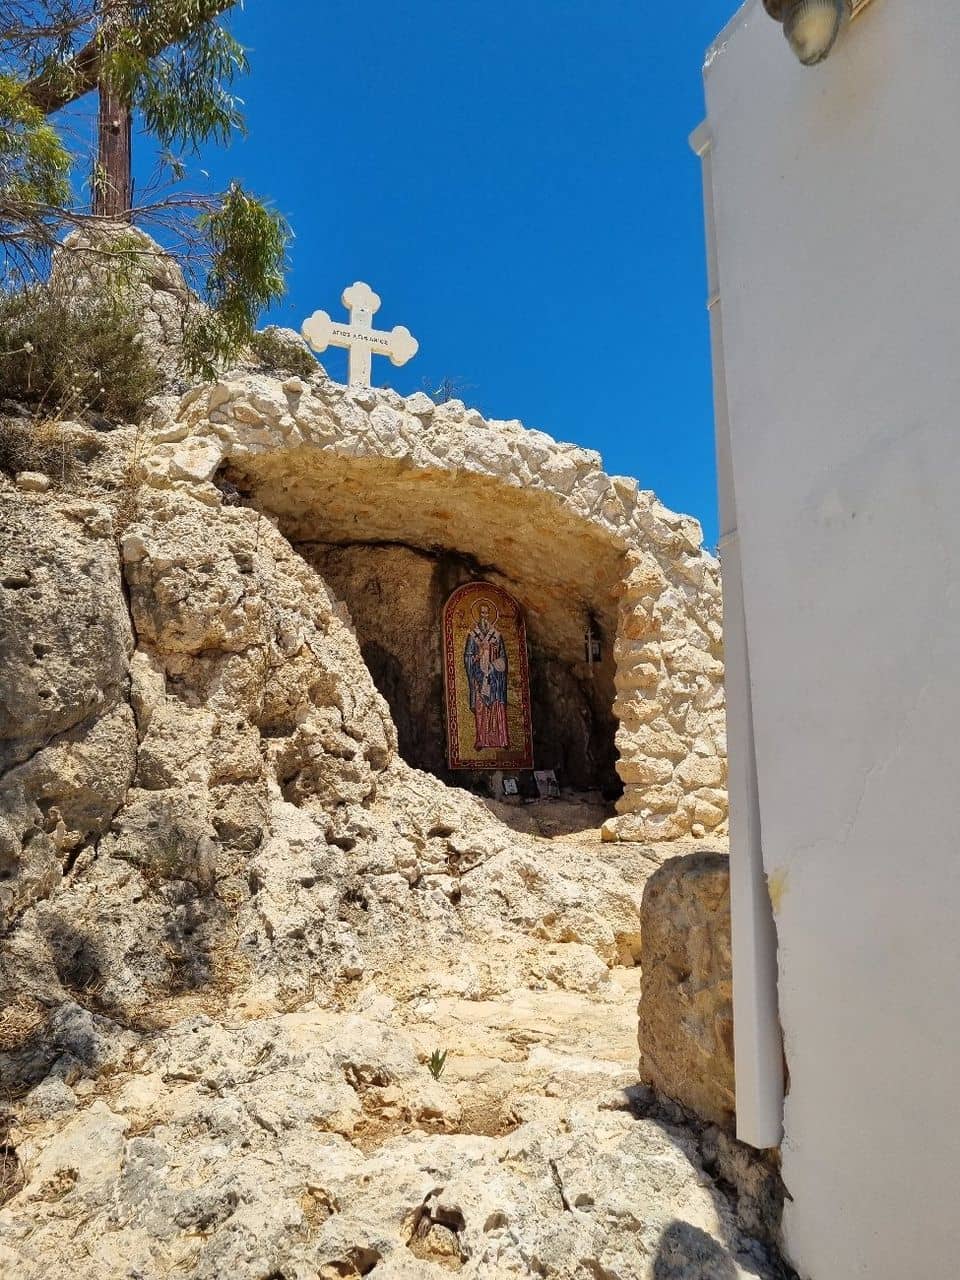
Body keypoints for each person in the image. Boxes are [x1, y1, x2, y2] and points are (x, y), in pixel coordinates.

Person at [464, 600, 509, 750]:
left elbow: (503, 657)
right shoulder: (473, 636)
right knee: (481, 708)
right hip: (479, 678)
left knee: (496, 708)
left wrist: (493, 666)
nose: (484, 616)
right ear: (478, 615)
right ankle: (482, 740)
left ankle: (500, 740)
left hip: (494, 678)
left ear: (489, 614)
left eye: (486, 613)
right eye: (481, 613)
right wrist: (477, 660)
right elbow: (468, 656)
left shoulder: (496, 635)